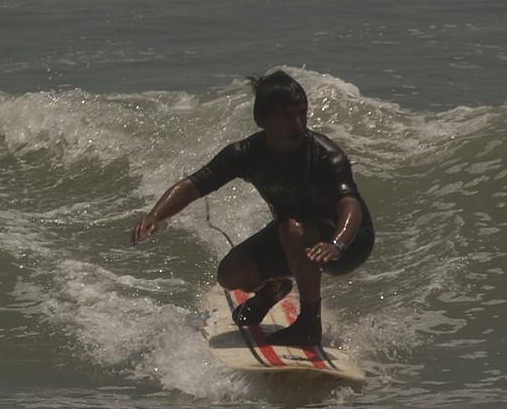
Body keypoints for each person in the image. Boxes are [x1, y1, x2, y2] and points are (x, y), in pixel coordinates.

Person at [130, 70, 375, 346]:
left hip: (349, 241)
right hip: (295, 236)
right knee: (232, 273)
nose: (297, 123)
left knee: (291, 229)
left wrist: (337, 243)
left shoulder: (325, 155)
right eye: (286, 116)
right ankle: (275, 288)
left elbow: (350, 205)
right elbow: (194, 184)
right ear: (262, 121)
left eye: (302, 113)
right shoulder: (246, 153)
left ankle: (309, 324)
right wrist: (155, 216)